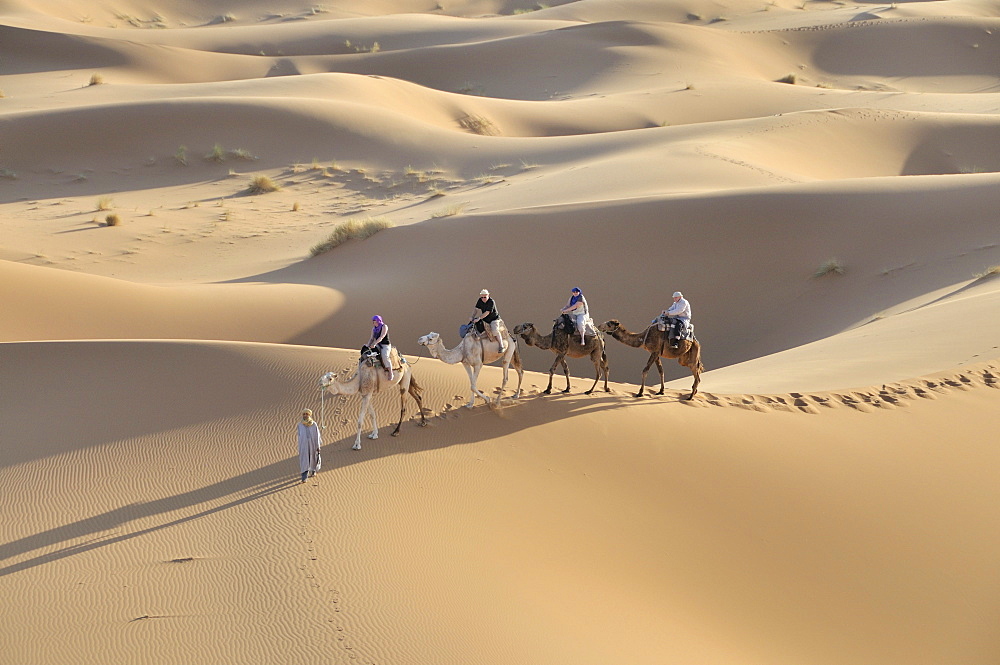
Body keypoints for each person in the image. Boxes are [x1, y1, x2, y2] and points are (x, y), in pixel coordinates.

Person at [297, 408, 322, 483]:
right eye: (304, 414)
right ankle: (304, 476)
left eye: (307, 414)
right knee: (304, 459)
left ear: (309, 415)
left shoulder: (314, 424)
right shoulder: (299, 425)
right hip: (303, 445)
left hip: (313, 444)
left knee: (313, 458)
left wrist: (318, 446)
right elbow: (299, 435)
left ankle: (313, 470)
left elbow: (317, 435)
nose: (305, 415)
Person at [367, 315, 394, 381]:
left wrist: (374, 343)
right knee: (369, 354)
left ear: (378, 321)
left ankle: (391, 373)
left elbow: (382, 336)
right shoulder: (374, 329)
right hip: (377, 344)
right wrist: (368, 345)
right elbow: (371, 338)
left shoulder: (384, 326)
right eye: (373, 321)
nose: (374, 322)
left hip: (385, 345)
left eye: (375, 321)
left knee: (385, 356)